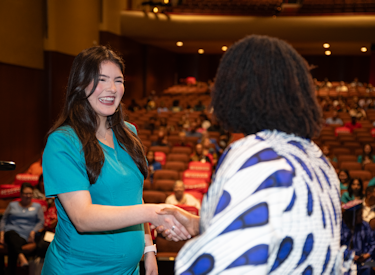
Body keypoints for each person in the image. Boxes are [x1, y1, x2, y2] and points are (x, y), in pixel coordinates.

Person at [157, 35, 347, 274]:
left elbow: (223, 265)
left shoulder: (255, 156)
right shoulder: (317, 157)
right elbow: (275, 229)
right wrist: (198, 224)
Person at [41, 46, 189, 275]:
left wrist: (149, 249)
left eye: (118, 80)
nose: (111, 88)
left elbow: (134, 196)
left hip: (129, 270)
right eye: (101, 80)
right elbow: (83, 217)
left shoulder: (128, 133)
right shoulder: (62, 142)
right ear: (80, 85)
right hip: (77, 269)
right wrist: (152, 213)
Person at [0, 183, 44, 274]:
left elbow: (41, 222)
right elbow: (4, 219)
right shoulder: (12, 205)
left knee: (13, 244)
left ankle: (10, 271)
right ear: (20, 194)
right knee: (10, 234)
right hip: (9, 233)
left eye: (30, 193)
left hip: (25, 236)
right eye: (26, 193)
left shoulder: (37, 207)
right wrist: (1, 234)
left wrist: (33, 231)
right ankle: (21, 256)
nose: (28, 196)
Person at [341, 201, 375, 275]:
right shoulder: (343, 228)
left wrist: (367, 255)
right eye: (359, 215)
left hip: (366, 259)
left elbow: (373, 243)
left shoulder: (365, 225)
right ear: (352, 217)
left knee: (370, 266)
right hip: (348, 260)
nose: (362, 217)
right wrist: (351, 255)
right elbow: (339, 247)